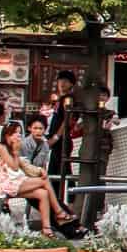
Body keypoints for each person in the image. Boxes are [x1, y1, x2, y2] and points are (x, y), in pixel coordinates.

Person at [0, 122, 76, 235]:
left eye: (19, 133)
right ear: (7, 135)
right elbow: (14, 167)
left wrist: (39, 170)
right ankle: (59, 212)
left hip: (11, 182)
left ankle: (47, 229)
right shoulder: (1, 147)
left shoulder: (11, 148)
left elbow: (24, 166)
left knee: (42, 193)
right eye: (15, 133)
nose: (18, 135)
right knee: (43, 181)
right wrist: (16, 150)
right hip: (1, 184)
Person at [73, 81, 117, 229]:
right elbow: (78, 126)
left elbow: (116, 121)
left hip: (102, 149)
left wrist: (109, 123)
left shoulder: (109, 113)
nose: (102, 97)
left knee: (100, 178)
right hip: (88, 149)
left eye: (104, 95)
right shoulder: (87, 111)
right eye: (100, 94)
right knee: (86, 178)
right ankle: (82, 213)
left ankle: (97, 211)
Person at [44, 71, 77, 200]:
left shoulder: (68, 99)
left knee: (61, 171)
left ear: (71, 84)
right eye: (60, 80)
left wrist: (56, 137)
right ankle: (60, 201)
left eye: (66, 81)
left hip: (62, 141)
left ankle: (69, 200)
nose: (62, 83)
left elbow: (67, 120)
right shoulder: (59, 99)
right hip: (58, 141)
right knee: (57, 171)